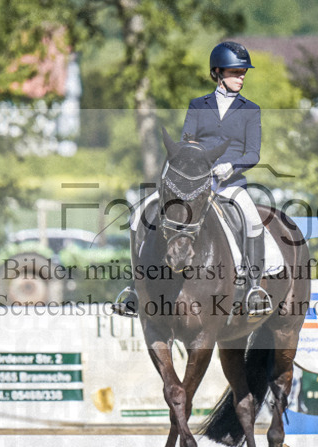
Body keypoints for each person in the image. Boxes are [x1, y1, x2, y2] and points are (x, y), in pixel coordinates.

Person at [113, 41, 271, 318]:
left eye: (243, 72)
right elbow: (188, 142)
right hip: (194, 181)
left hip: (230, 183)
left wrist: (231, 166)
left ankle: (254, 289)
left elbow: (253, 153)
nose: (241, 77)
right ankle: (135, 288)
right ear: (218, 73)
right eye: (235, 72)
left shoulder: (251, 110)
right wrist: (191, 167)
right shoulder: (198, 105)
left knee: (252, 218)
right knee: (140, 213)